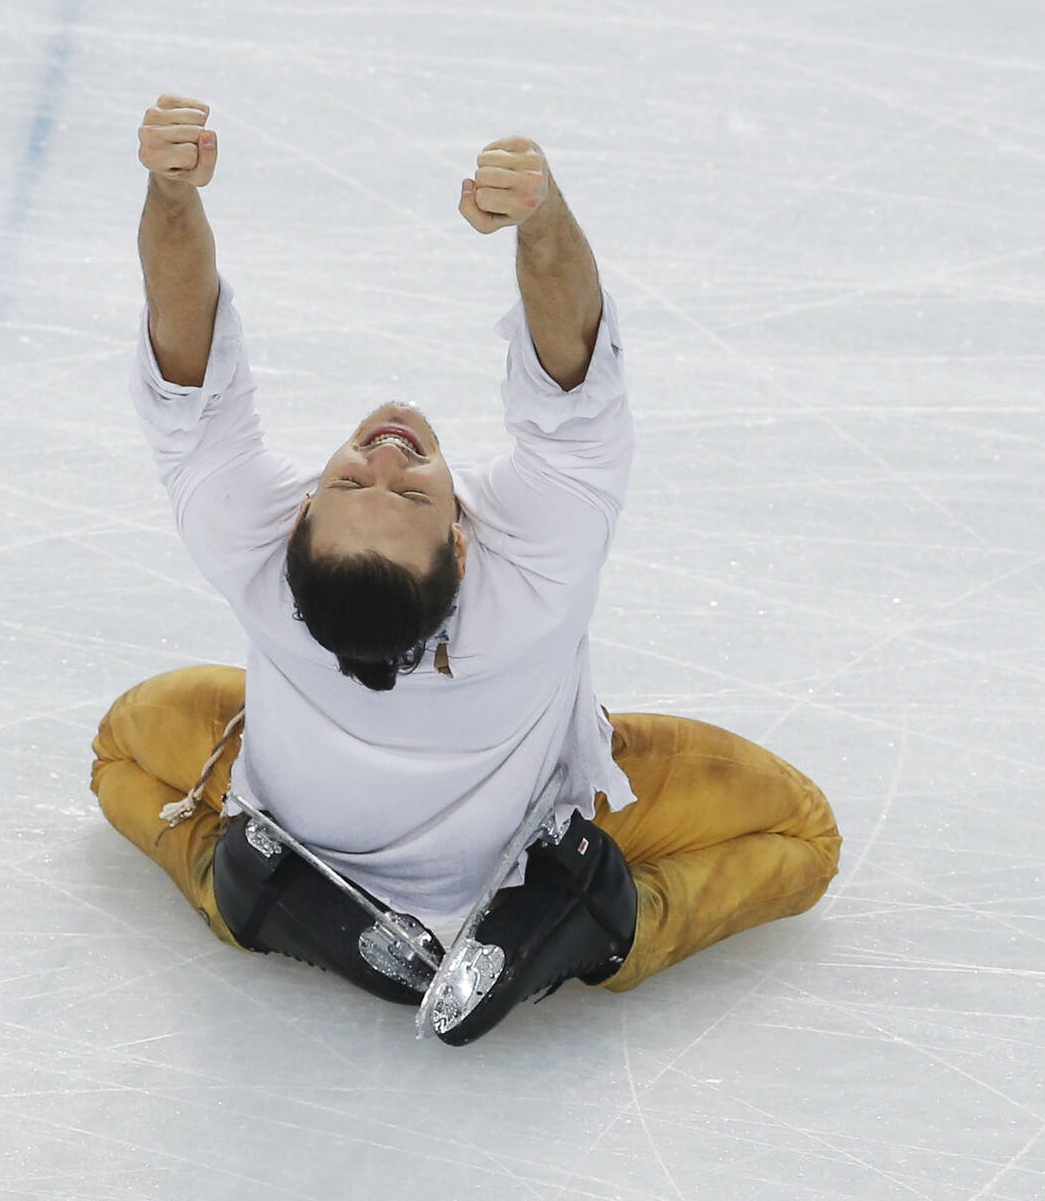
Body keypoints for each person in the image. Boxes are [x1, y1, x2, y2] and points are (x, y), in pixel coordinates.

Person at [90, 94, 842, 1045]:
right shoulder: (536, 570)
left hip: (303, 831)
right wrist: (541, 220)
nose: (384, 454)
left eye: (357, 480)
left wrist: (171, 195)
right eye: (400, 490)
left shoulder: (249, 544)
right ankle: (594, 924)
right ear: (460, 544)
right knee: (803, 835)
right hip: (514, 851)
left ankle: (258, 891)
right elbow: (571, 383)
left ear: (294, 536)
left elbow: (181, 340)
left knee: (125, 743)